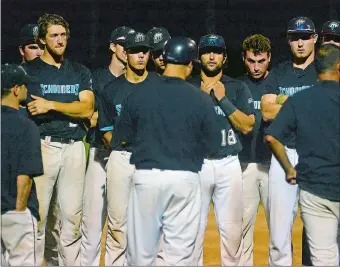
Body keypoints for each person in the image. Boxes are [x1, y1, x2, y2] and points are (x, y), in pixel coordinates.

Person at [112, 36, 221, 266]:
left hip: (146, 179)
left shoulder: (139, 94)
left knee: (140, 256)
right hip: (185, 180)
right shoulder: (201, 100)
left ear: (163, 59)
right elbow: (213, 146)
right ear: (190, 64)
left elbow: (121, 139)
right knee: (179, 257)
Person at [24, 13, 94, 266]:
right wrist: (69, 105)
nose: (60, 40)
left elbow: (86, 109)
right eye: (53, 35)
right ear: (41, 40)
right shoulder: (29, 72)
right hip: (43, 146)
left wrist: (50, 105)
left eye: (63, 34)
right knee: (39, 216)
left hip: (75, 147)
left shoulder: (79, 71)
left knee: (71, 218)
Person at [265, 43, 340, 266]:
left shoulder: (300, 100)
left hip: (315, 189)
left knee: (323, 258)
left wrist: (289, 168)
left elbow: (271, 137)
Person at [189, 34, 255, 266]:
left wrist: (223, 100)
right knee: (192, 232)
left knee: (232, 233)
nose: (212, 55)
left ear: (224, 57)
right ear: (199, 57)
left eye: (216, 51)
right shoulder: (188, 87)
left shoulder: (237, 87)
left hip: (229, 164)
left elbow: (247, 126)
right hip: (197, 164)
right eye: (207, 51)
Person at [260, 16, 318, 266]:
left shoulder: (324, 72)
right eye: (295, 37)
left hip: (317, 155)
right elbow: (266, 112)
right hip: (283, 156)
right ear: (288, 40)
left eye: (305, 36)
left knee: (320, 229)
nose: (301, 42)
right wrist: (307, 103)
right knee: (278, 234)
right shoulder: (278, 73)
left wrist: (284, 102)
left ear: (315, 38)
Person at [98, 31, 157, 265]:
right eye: (135, 51)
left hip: (151, 159)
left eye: (145, 51)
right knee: (118, 224)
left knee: (151, 223)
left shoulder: (159, 85)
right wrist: (119, 144)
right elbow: (105, 129)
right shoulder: (112, 90)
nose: (141, 55)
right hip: (121, 159)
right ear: (126, 53)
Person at [80, 25, 134, 266]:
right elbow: (87, 116)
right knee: (91, 224)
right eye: (123, 44)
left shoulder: (137, 80)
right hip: (99, 155)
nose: (127, 50)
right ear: (112, 46)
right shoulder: (97, 78)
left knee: (123, 224)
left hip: (127, 157)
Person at [1, 64, 43, 266]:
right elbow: (24, 177)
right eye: (25, 85)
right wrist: (19, 215)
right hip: (14, 211)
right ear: (16, 89)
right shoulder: (26, 126)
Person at [237, 34, 273, 266]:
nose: (256, 66)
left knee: (279, 229)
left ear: (269, 58)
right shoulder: (238, 86)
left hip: (274, 165)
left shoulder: (277, 82)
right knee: (242, 228)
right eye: (251, 61)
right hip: (245, 163)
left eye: (260, 61)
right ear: (244, 59)